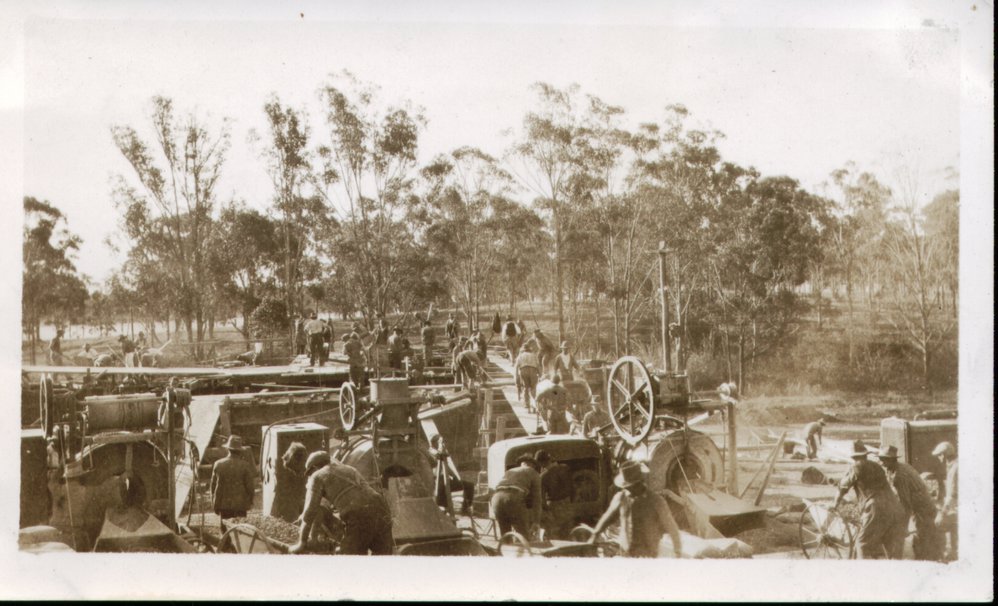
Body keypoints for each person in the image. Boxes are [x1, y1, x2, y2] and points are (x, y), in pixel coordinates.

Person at [290, 451, 394, 555]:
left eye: (309, 473)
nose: (309, 476)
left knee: (349, 556)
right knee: (383, 558)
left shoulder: (317, 476)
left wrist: (302, 542)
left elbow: (310, 512)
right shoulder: (350, 469)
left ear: (315, 467)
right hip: (383, 510)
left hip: (360, 515)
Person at [589, 461, 682, 558]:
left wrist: (677, 550)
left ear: (639, 483)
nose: (626, 489)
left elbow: (670, 526)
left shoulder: (656, 500)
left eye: (629, 487)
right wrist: (594, 535)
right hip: (627, 552)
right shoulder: (621, 498)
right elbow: (607, 519)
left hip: (649, 553)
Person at [834, 440, 906, 559]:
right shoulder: (877, 466)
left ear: (853, 456)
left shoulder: (856, 467)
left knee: (862, 543)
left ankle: (864, 568)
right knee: (889, 544)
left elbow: (843, 488)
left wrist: (835, 504)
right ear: (866, 454)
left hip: (876, 508)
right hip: (894, 507)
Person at [877, 445, 942, 561]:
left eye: (883, 459)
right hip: (920, 507)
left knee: (922, 541)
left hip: (922, 509)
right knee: (923, 540)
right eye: (880, 459)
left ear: (891, 460)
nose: (881, 462)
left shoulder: (900, 475)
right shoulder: (896, 468)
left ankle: (926, 562)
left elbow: (906, 504)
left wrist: (903, 527)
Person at [209, 436, 257, 530]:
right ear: (240, 451)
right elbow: (250, 487)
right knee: (240, 531)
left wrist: (214, 503)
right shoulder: (245, 466)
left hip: (223, 505)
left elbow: (213, 486)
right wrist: (250, 501)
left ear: (228, 449)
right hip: (240, 505)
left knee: (225, 531)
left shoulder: (218, 464)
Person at [490, 454, 542, 538]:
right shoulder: (533, 472)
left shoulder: (510, 471)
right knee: (523, 535)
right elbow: (537, 499)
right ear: (532, 465)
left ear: (521, 464)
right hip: (513, 497)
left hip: (496, 498)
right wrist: (536, 522)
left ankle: (506, 544)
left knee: (505, 533)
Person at [428, 435, 475, 516]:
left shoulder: (439, 453)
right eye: (441, 442)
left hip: (444, 479)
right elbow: (438, 462)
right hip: (437, 481)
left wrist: (455, 477)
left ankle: (465, 508)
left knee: (469, 486)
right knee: (442, 491)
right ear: (434, 443)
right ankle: (445, 507)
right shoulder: (431, 452)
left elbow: (446, 467)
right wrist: (441, 452)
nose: (443, 444)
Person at [536, 450, 574, 540]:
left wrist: (545, 510)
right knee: (568, 532)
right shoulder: (565, 468)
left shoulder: (543, 476)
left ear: (540, 463)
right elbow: (572, 487)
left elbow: (542, 499)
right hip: (567, 503)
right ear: (550, 459)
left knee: (554, 534)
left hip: (553, 505)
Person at [932, 441, 958, 561]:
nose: (938, 458)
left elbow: (952, 493)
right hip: (955, 505)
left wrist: (943, 512)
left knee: (939, 523)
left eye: (939, 455)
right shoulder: (953, 465)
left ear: (943, 455)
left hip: (956, 506)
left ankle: (949, 555)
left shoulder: (954, 468)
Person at [513, 342, 541, 412]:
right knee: (533, 388)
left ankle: (526, 404)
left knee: (525, 387)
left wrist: (516, 377)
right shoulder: (534, 355)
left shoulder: (520, 356)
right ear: (529, 349)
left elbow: (516, 367)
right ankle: (535, 404)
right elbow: (538, 365)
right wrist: (540, 374)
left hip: (524, 370)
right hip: (533, 370)